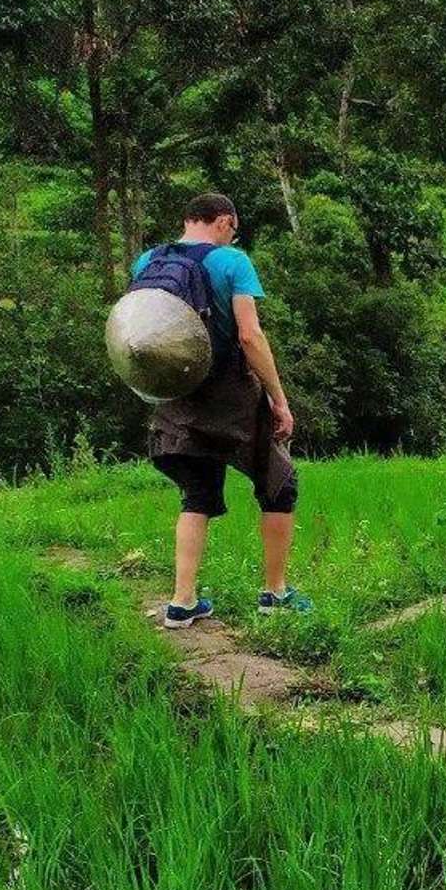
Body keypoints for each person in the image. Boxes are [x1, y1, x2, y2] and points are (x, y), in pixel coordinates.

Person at [142, 192, 310, 629]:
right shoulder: (232, 262)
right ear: (223, 221)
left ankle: (181, 602)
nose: (233, 234)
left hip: (177, 394)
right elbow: (250, 337)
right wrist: (279, 399)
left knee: (196, 492)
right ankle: (275, 593)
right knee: (280, 482)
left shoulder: (147, 262)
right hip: (229, 396)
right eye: (233, 227)